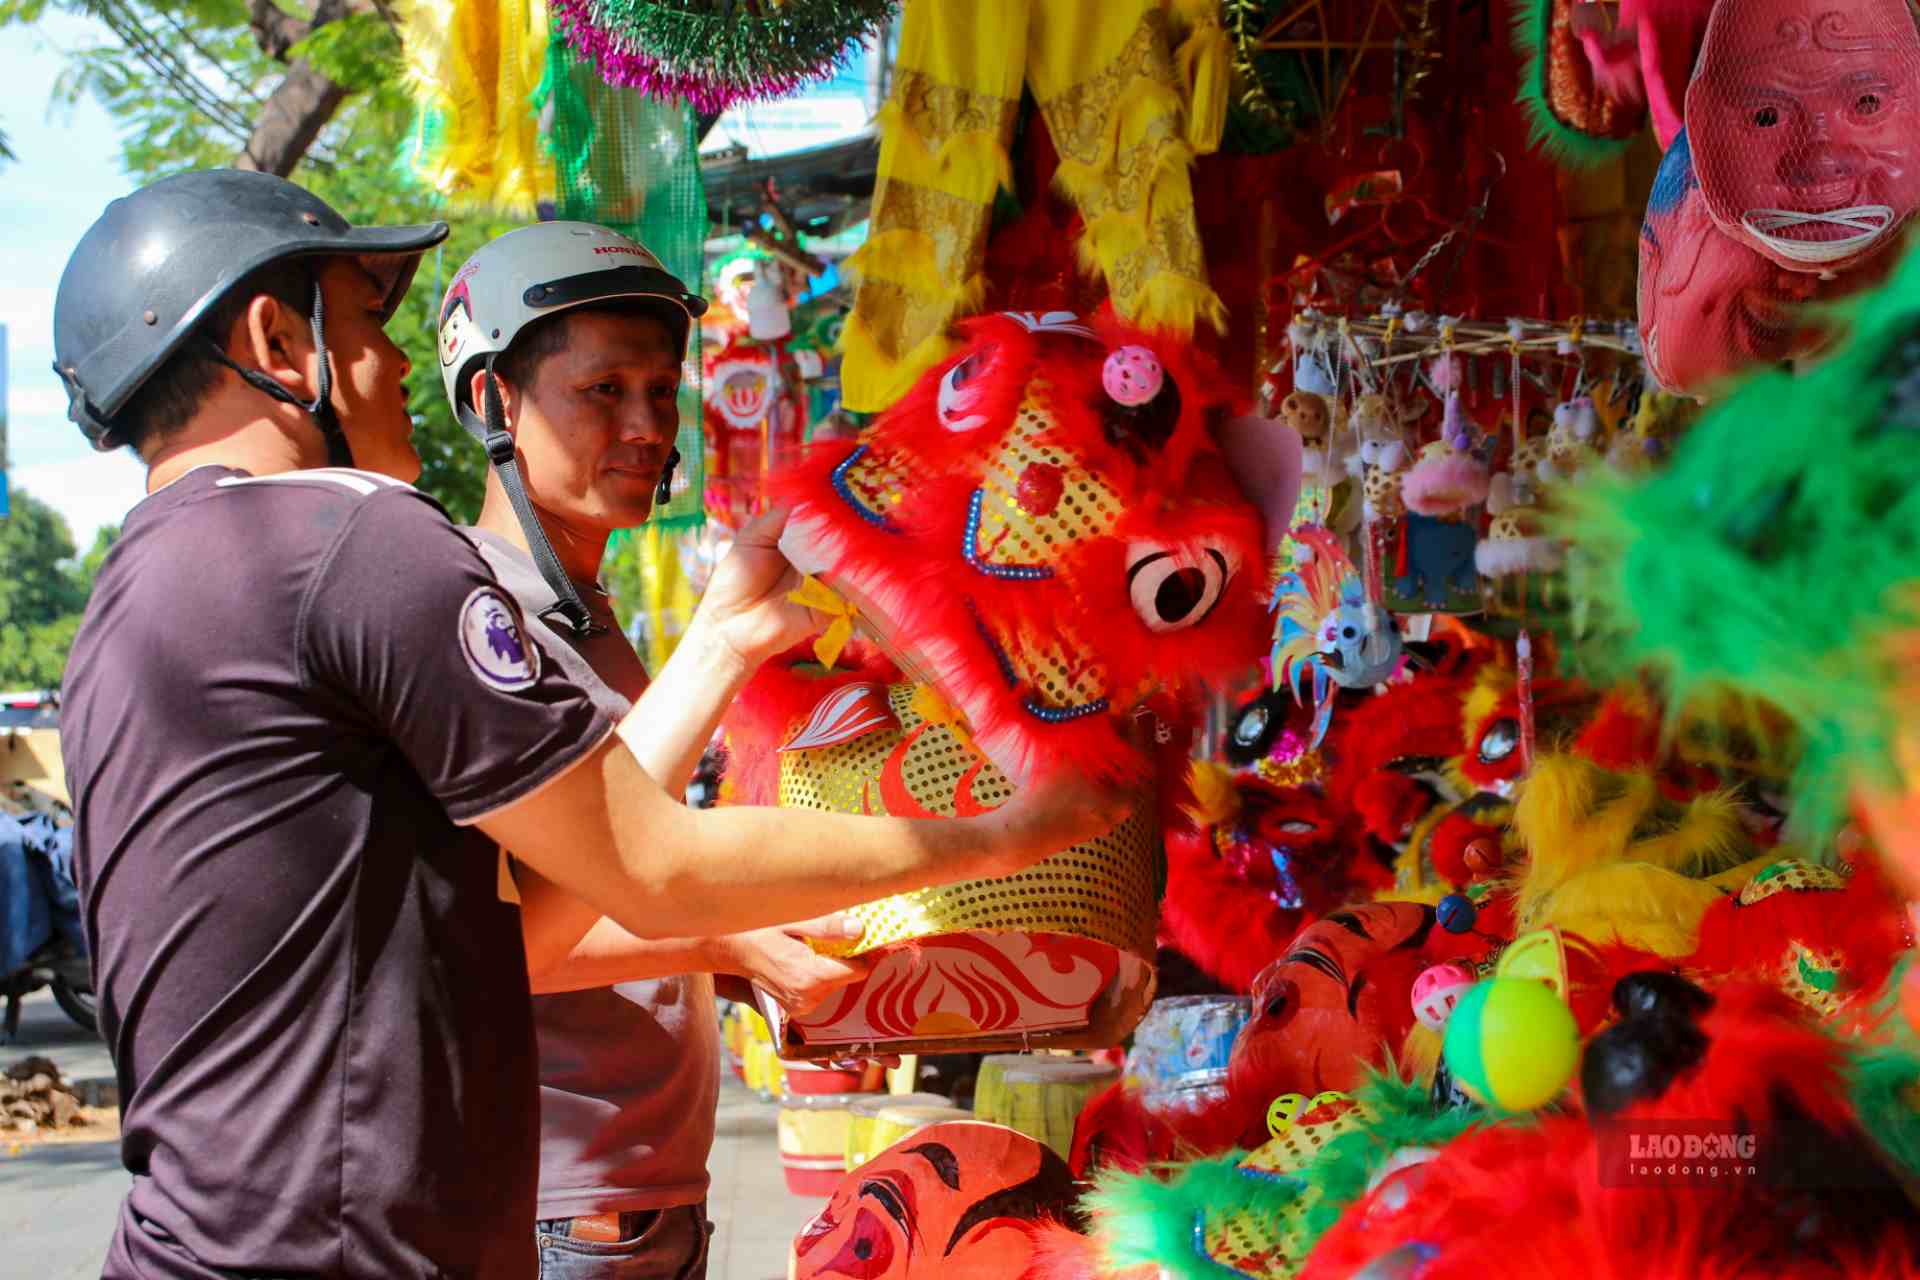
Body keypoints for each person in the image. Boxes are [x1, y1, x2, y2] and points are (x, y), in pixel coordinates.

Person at [52, 170, 1118, 1280]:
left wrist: (720, 644)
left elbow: (542, 908)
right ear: (278, 339)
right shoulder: (350, 539)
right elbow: (651, 864)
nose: (400, 359)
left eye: (661, 390)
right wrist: (1010, 835)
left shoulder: (130, 600)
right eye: (367, 320)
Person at [444, 222, 867, 1277]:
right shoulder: (473, 620)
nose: (647, 426)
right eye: (602, 391)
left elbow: (634, 854)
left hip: (641, 1191)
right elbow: (502, 935)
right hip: (562, 1206)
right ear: (498, 399)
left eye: (661, 388)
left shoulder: (586, 613)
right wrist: (734, 939)